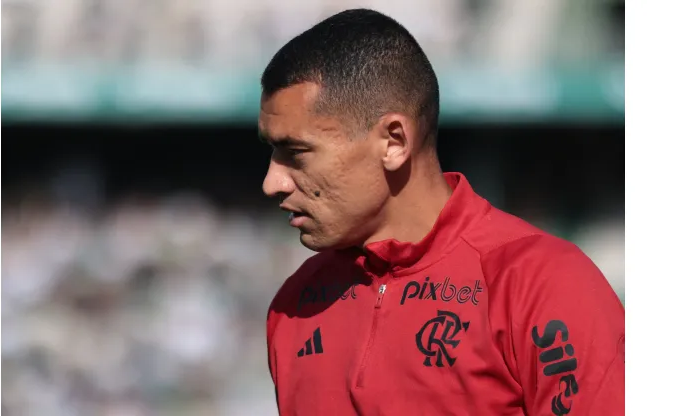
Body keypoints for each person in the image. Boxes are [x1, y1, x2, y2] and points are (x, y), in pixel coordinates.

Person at [259, 9, 624, 416]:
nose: (272, 182)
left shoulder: (542, 284)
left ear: (393, 142)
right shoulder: (293, 305)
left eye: (296, 153)